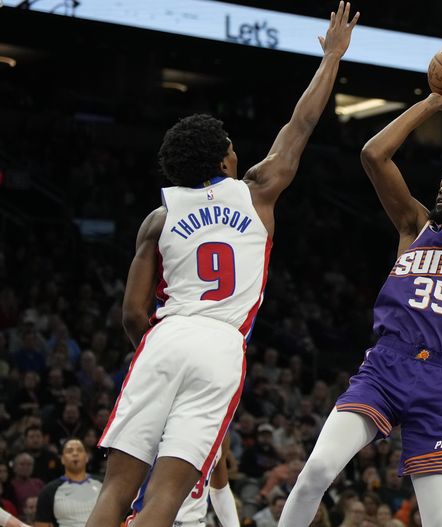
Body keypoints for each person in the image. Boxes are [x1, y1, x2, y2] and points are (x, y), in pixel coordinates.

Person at [84, 4, 359, 527]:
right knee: (165, 500)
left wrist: (158, 347)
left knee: (117, 488)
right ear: (225, 160)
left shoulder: (158, 218)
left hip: (165, 336)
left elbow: (131, 315)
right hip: (220, 346)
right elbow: (301, 123)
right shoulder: (259, 191)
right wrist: (331, 57)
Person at [280, 53, 442, 526]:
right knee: (317, 471)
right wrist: (433, 100)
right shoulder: (414, 226)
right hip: (386, 365)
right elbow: (373, 154)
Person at [127, 436, 238, 527]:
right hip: (150, 520)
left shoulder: (220, 432)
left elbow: (220, 490)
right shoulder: (162, 422)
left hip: (194, 522)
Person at [35, 438, 102, 527]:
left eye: (79, 450)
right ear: (62, 459)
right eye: (69, 451)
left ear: (87, 457)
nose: (75, 453)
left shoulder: (103, 484)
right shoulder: (48, 491)